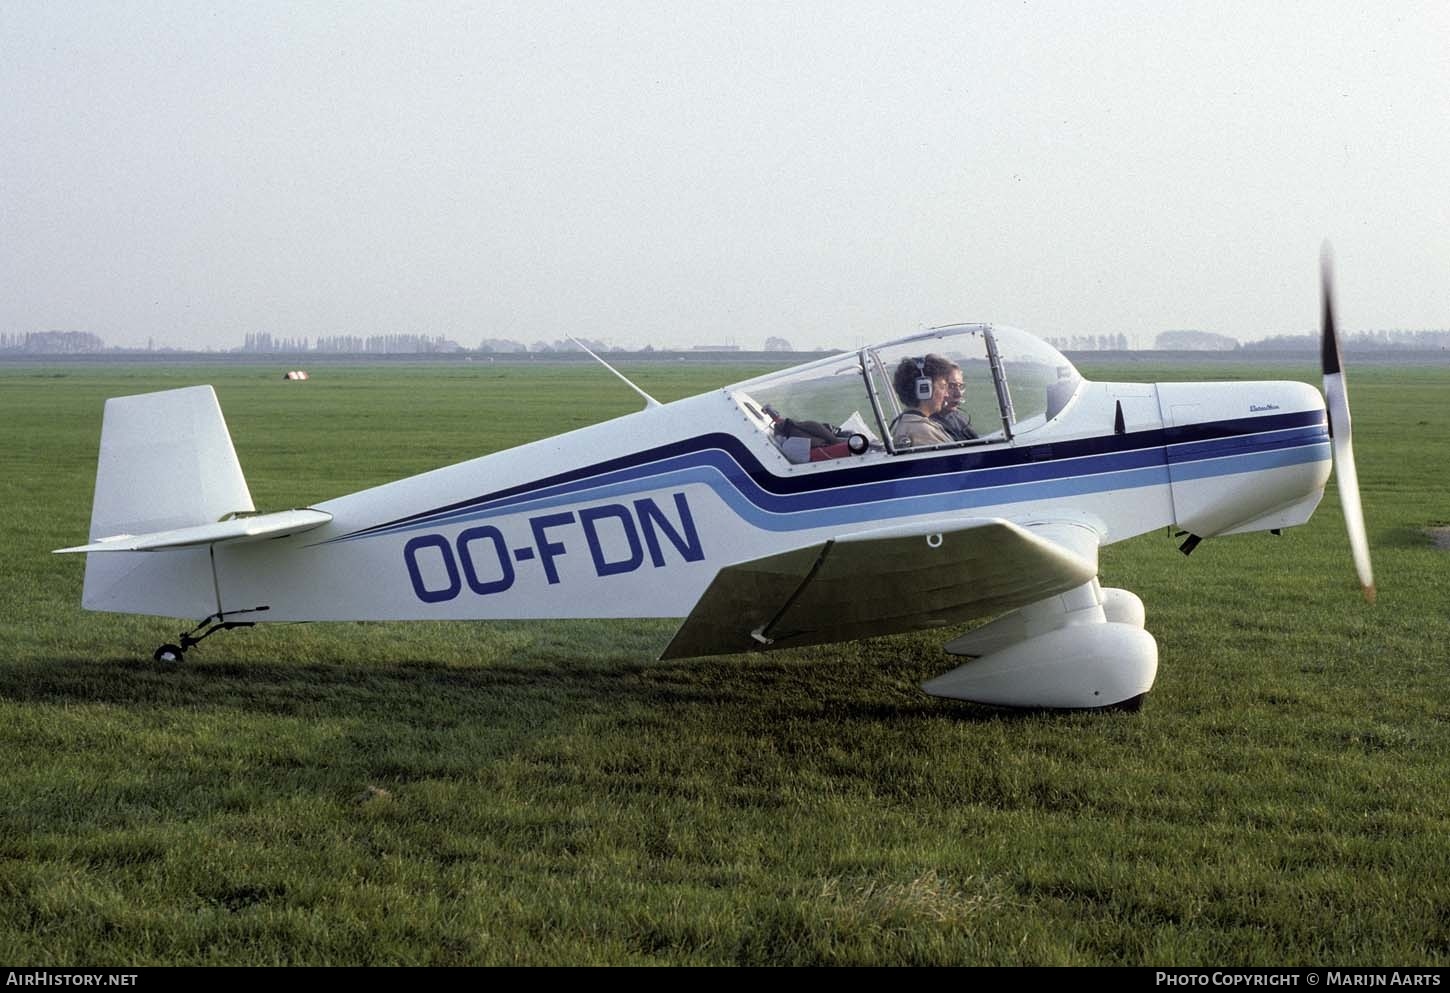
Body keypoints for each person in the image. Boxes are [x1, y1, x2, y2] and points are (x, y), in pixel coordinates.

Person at [889, 354, 954, 448]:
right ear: (924, 388)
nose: (946, 394)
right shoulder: (922, 431)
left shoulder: (909, 424)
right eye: (942, 386)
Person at [932, 363, 978, 441]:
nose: (958, 394)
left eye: (960, 386)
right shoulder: (926, 426)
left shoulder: (959, 418)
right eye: (951, 386)